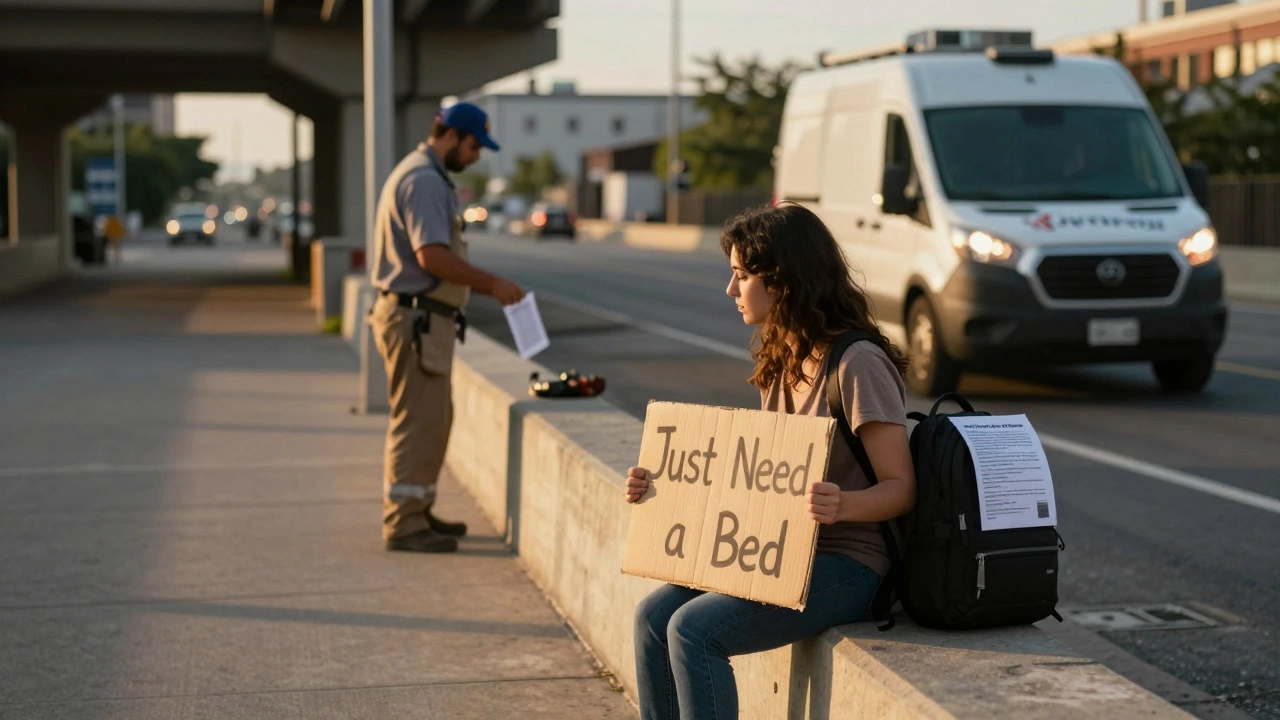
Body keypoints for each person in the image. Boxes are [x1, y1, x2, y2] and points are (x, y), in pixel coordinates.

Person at [624, 203, 917, 719]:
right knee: (653, 615)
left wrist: (842, 505)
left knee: (694, 631)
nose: (730, 290)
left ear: (782, 281)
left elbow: (901, 488)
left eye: (741, 276)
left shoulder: (856, 364)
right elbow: (754, 480)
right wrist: (663, 487)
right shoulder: (782, 356)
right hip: (780, 554)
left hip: (853, 564)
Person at [370, 102, 525, 553]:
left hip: (420, 317)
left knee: (432, 419)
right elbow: (432, 257)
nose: (477, 155)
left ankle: (417, 508)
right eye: (475, 145)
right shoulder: (423, 181)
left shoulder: (423, 174)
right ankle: (404, 523)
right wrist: (492, 284)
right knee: (418, 421)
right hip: (415, 319)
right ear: (452, 135)